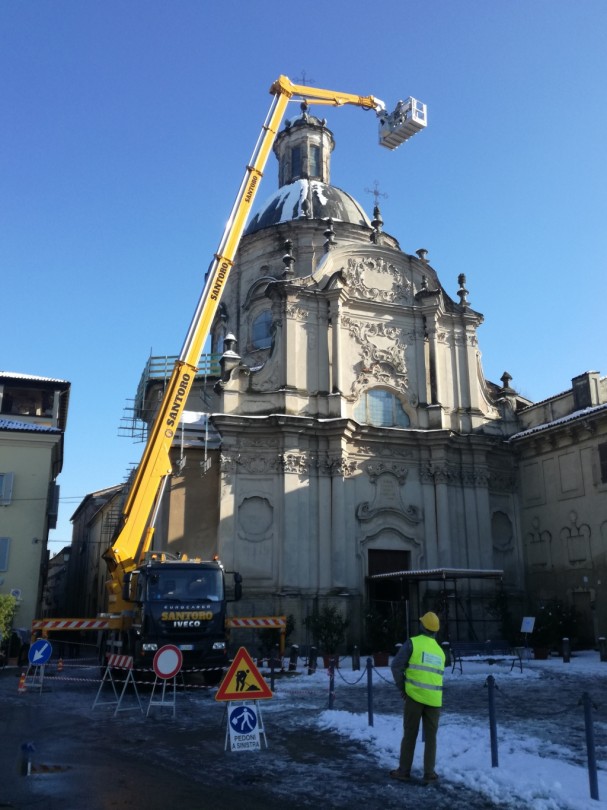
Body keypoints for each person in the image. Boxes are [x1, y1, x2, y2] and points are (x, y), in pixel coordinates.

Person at [389, 611, 446, 784]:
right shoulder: (441, 652)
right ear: (435, 630)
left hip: (414, 697)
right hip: (435, 700)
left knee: (410, 734)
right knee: (431, 738)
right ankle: (429, 773)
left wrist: (403, 688)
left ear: (422, 626)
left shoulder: (413, 643)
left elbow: (396, 665)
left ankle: (404, 771)